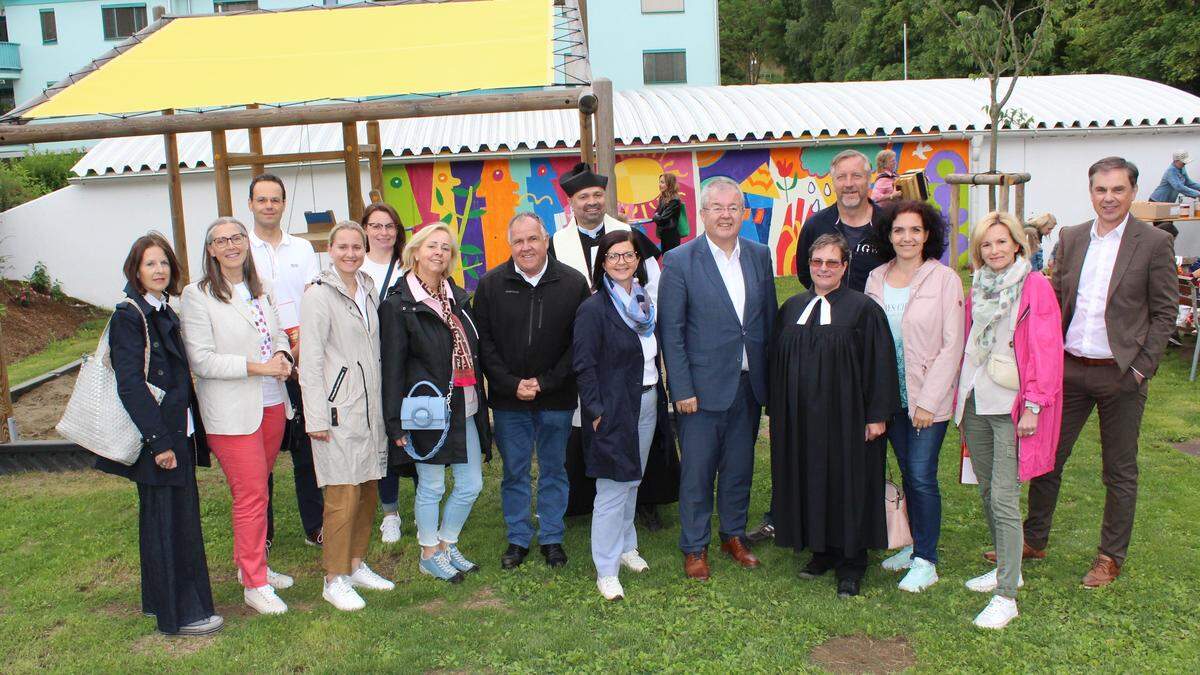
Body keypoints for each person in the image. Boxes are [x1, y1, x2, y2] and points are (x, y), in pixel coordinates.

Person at [1018, 157, 1177, 588]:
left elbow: (1165, 313)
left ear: (1133, 192)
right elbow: (1052, 303)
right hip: (1068, 370)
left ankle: (1110, 556)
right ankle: (1033, 539)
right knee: (1048, 459)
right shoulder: (1070, 238)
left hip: (1121, 374)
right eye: (1101, 190)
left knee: (1119, 470)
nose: (1109, 198)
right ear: (1090, 192)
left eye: (1118, 190)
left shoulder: (1153, 243)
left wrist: (1142, 368)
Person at [98, 233, 221, 637]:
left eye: (164, 263)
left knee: (164, 522)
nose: (159, 270)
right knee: (172, 524)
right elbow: (130, 384)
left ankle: (158, 601)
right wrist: (160, 444)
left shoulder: (164, 309)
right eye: (150, 263)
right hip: (159, 440)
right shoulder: (130, 316)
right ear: (135, 270)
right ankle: (181, 614)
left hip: (175, 435)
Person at [549, 161, 678, 529]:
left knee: (642, 426)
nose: (592, 202)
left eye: (597, 195)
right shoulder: (557, 243)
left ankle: (646, 501)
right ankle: (583, 501)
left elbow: (652, 283)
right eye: (583, 197)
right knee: (592, 422)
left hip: (631, 346)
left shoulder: (628, 234)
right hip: (587, 344)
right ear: (571, 203)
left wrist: (641, 317)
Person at [659, 176, 776, 581]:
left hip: (748, 384)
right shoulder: (679, 261)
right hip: (701, 391)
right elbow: (670, 332)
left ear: (744, 213)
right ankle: (694, 546)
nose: (726, 215)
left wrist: (770, 383)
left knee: (740, 467)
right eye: (717, 208)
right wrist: (683, 389)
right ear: (703, 214)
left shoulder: (760, 256)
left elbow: (768, 323)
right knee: (697, 472)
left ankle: (733, 534)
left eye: (733, 208)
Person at [770, 233, 898, 598]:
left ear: (845, 266)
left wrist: (876, 416)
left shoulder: (863, 309)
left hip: (848, 419)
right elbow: (777, 365)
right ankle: (820, 551)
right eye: (816, 262)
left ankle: (851, 563)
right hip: (802, 421)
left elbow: (880, 363)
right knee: (810, 480)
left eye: (831, 262)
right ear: (808, 266)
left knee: (849, 484)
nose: (823, 269)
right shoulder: (792, 307)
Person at [181, 217, 295, 615]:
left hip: (271, 404)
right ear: (210, 250)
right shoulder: (197, 295)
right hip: (232, 412)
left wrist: (282, 355)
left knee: (259, 489)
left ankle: (253, 565)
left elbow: (279, 333)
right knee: (250, 495)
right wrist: (259, 367)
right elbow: (202, 360)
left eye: (237, 237)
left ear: (247, 243)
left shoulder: (259, 288)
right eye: (221, 240)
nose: (231, 245)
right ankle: (254, 582)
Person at [955, 211, 1063, 629]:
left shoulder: (1034, 286)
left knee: (1003, 496)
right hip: (977, 399)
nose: (994, 250)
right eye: (986, 244)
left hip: (1013, 406)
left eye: (1001, 242)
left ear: (1018, 243)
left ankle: (1007, 596)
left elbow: (1047, 349)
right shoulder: (978, 287)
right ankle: (1009, 567)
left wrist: (1034, 405)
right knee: (986, 489)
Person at [474, 213, 590, 570]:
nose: (526, 247)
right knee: (515, 471)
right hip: (510, 402)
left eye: (533, 239)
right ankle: (518, 538)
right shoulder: (491, 285)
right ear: (510, 245)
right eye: (518, 241)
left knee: (555, 469)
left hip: (556, 397)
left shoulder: (573, 284)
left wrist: (544, 383)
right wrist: (512, 384)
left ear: (545, 241)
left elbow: (578, 345)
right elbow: (484, 344)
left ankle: (552, 538)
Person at [380, 223, 492, 583]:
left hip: (465, 404)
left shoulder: (457, 298)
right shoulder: (399, 305)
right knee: (431, 485)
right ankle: (428, 553)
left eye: (446, 248)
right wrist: (394, 422)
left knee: (471, 483)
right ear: (415, 251)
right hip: (426, 409)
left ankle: (446, 543)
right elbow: (393, 367)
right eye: (433, 246)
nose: (439, 253)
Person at [864, 201, 964, 592]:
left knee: (922, 477)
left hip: (926, 402)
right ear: (888, 235)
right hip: (889, 400)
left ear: (928, 236)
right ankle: (914, 547)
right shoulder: (876, 277)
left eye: (915, 231)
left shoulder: (944, 279)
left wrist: (928, 402)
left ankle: (927, 560)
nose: (907, 238)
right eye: (899, 230)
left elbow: (952, 345)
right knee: (906, 473)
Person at [300, 222, 395, 612]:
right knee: (342, 493)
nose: (351, 253)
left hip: (370, 409)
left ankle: (355, 564)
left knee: (368, 487)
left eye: (357, 246)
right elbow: (310, 361)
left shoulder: (368, 289)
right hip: (340, 410)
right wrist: (316, 417)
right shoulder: (319, 295)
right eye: (343, 246)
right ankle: (333, 578)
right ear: (330, 249)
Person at [574, 230, 670, 600]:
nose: (621, 261)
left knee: (633, 479)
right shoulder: (594, 309)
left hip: (646, 401)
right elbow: (583, 365)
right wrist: (596, 411)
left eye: (627, 255)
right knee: (612, 488)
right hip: (613, 409)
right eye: (612, 256)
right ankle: (606, 569)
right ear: (602, 264)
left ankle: (628, 545)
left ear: (637, 260)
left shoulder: (644, 303)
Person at [244, 173, 323, 550]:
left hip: (302, 355)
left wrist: (302, 349)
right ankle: (265, 531)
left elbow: (312, 298)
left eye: (275, 199)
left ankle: (315, 525)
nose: (269, 206)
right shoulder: (240, 249)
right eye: (262, 200)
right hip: (259, 360)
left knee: (308, 444)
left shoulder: (302, 250)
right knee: (262, 448)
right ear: (251, 205)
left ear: (284, 203)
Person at [357, 202, 411, 546]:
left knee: (416, 430)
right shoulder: (354, 266)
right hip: (368, 365)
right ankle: (390, 512)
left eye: (389, 226)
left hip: (407, 363)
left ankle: (425, 507)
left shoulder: (410, 264)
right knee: (384, 440)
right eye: (376, 226)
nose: (383, 232)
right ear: (365, 229)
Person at [793, 149, 883, 292]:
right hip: (830, 311)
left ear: (869, 179)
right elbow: (805, 274)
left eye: (856, 176)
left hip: (877, 312)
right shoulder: (815, 225)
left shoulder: (887, 224)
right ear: (833, 181)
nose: (848, 183)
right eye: (841, 177)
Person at [652, 173, 684, 253]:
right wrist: (657, 216)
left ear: (669, 184)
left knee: (671, 262)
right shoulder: (663, 198)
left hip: (671, 236)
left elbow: (661, 219)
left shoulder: (674, 200)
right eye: (659, 182)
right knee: (666, 260)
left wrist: (656, 216)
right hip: (664, 235)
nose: (660, 185)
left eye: (662, 182)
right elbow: (657, 214)